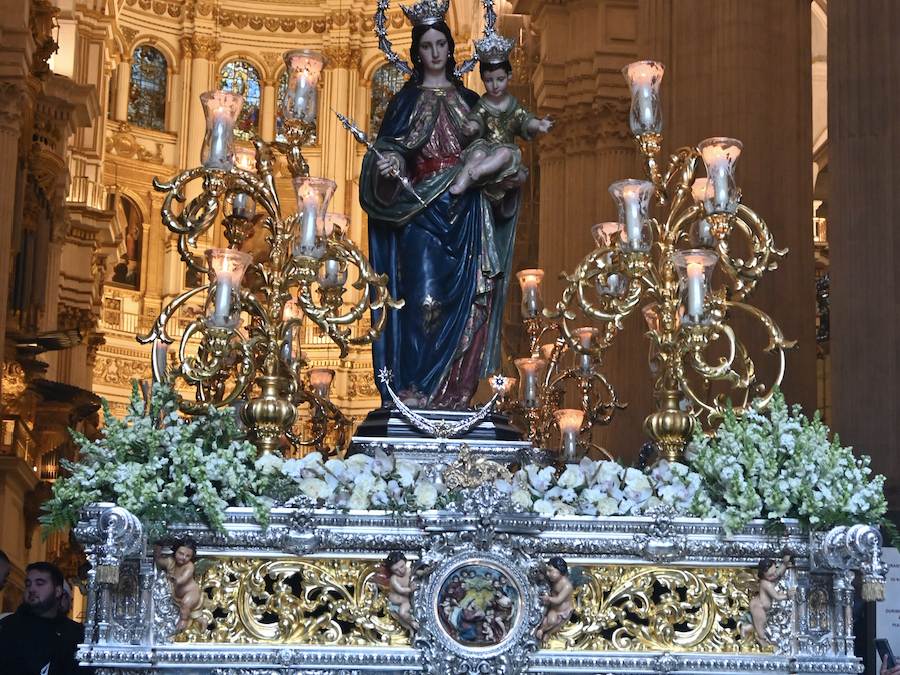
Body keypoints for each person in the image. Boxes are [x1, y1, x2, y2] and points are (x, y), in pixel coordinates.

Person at [360, 2, 525, 409]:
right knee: (423, 298)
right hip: (419, 211)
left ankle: (454, 394)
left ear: (451, 49)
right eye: (427, 46)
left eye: (441, 45)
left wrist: (503, 180)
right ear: (416, 52)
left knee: (469, 299)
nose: (435, 53)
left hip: (466, 212)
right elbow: (390, 149)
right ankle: (415, 384)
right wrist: (390, 163)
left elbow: (494, 146)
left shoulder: (472, 100)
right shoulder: (404, 102)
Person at [449, 32, 552, 197]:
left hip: (505, 150)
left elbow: (524, 119)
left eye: (500, 79)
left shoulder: (513, 105)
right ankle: (461, 185)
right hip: (486, 146)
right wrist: (471, 128)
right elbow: (477, 119)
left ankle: (481, 172)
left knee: (506, 157)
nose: (495, 86)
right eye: (489, 81)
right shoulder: (483, 104)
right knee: (477, 154)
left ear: (509, 76)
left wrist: (538, 124)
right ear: (482, 79)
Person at [0, 561, 94, 675]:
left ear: (58, 591)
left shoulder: (76, 635)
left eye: (40, 583)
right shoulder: (7, 628)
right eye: (28, 584)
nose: (32, 589)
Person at [740, 554, 796, 649]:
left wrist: (785, 564)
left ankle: (745, 628)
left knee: (760, 624)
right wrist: (787, 595)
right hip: (758, 606)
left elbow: (778, 572)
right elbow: (777, 596)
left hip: (760, 605)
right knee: (761, 625)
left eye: (774, 571)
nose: (774, 575)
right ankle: (761, 639)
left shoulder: (771, 577)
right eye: (771, 575)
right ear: (764, 575)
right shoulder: (766, 584)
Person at [153, 538, 208, 632]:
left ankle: (183, 621)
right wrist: (157, 556)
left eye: (188, 556)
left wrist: (177, 580)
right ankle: (202, 621)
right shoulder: (172, 562)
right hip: (178, 595)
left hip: (192, 592)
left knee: (185, 604)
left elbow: (184, 578)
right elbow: (162, 562)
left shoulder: (189, 566)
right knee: (191, 612)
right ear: (175, 551)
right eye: (181, 553)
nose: (183, 557)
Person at [536, 556, 574, 641]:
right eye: (547, 570)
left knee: (556, 624)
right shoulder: (553, 580)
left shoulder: (567, 586)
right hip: (553, 608)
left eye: (550, 571)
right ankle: (541, 630)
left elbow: (559, 600)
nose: (548, 574)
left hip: (563, 611)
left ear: (560, 571)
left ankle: (547, 633)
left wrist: (548, 598)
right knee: (551, 620)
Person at [384, 551, 418, 634]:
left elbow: (416, 573)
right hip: (394, 605)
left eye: (402, 566)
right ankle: (410, 628)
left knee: (403, 613)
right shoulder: (394, 579)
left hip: (405, 601)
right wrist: (410, 589)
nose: (401, 571)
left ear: (405, 562)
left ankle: (412, 623)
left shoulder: (409, 571)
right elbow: (400, 590)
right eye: (396, 570)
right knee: (398, 617)